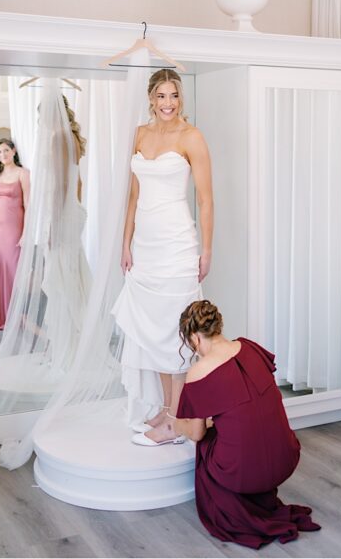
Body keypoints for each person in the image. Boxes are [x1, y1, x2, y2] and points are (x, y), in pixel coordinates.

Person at [164, 300, 320, 548]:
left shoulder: (199, 370)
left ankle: (236, 510)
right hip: (285, 459)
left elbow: (195, 432)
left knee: (204, 443)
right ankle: (258, 498)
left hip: (245, 473)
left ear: (194, 337)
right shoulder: (250, 348)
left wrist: (175, 424)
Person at [113, 68, 214, 444]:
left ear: (180, 98)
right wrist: (126, 243)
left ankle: (177, 421)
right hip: (146, 248)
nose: (167, 103)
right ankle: (167, 411)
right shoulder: (139, 135)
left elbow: (205, 199)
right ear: (151, 99)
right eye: (161, 96)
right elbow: (133, 197)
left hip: (176, 244)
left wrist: (206, 249)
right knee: (150, 329)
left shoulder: (192, 136)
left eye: (173, 95)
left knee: (174, 331)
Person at [0, 138, 29, 331]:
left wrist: (26, 233)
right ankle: (0, 316)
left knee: (12, 273)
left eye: (5, 151)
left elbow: (28, 205)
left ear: (13, 151)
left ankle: (15, 317)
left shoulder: (23, 174)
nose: (2, 155)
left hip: (14, 231)